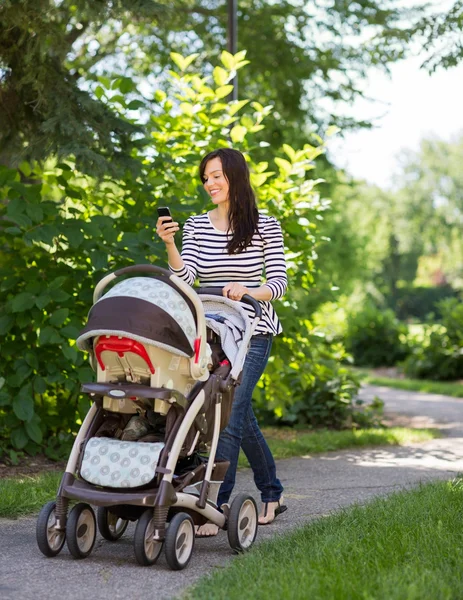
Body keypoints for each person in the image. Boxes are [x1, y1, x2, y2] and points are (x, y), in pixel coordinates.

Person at [156, 147, 288, 535]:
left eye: (217, 176)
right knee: (238, 414)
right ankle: (272, 491)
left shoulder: (265, 223)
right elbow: (186, 279)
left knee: (227, 416)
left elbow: (277, 283)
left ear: (235, 176)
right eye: (205, 178)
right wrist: (169, 244)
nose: (210, 183)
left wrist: (246, 290)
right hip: (212, 333)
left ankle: (216, 503)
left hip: (253, 329)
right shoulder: (197, 224)